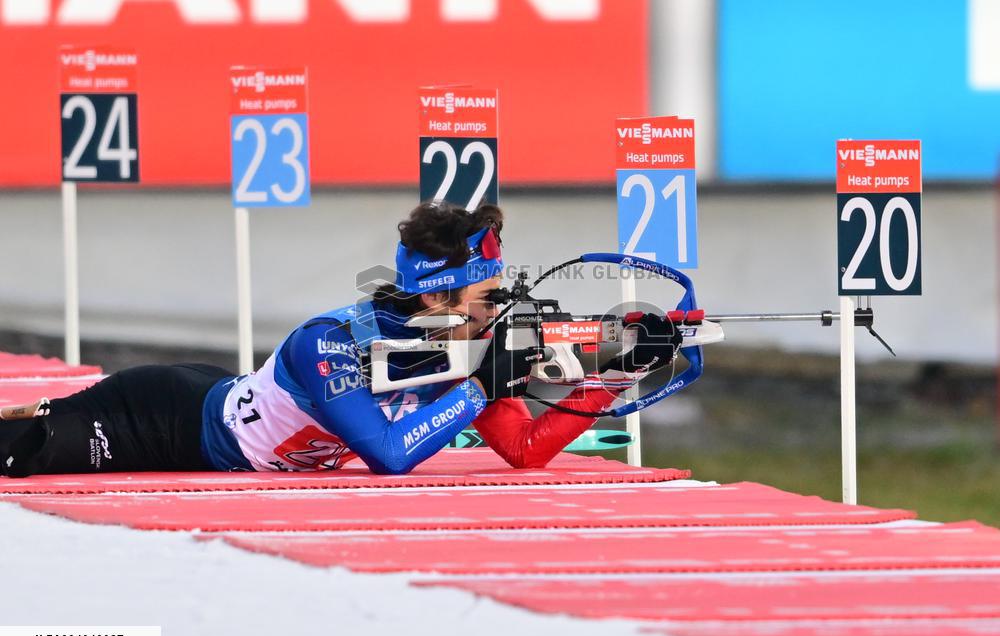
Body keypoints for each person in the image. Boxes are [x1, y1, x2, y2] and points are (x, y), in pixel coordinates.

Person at [0, 203, 680, 477]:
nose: (498, 310)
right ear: (436, 297)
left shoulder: (470, 348)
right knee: (21, 449)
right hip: (164, 421)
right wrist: (480, 386)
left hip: (222, 393)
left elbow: (525, 450)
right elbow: (388, 456)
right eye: (487, 297)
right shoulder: (328, 343)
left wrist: (615, 374)